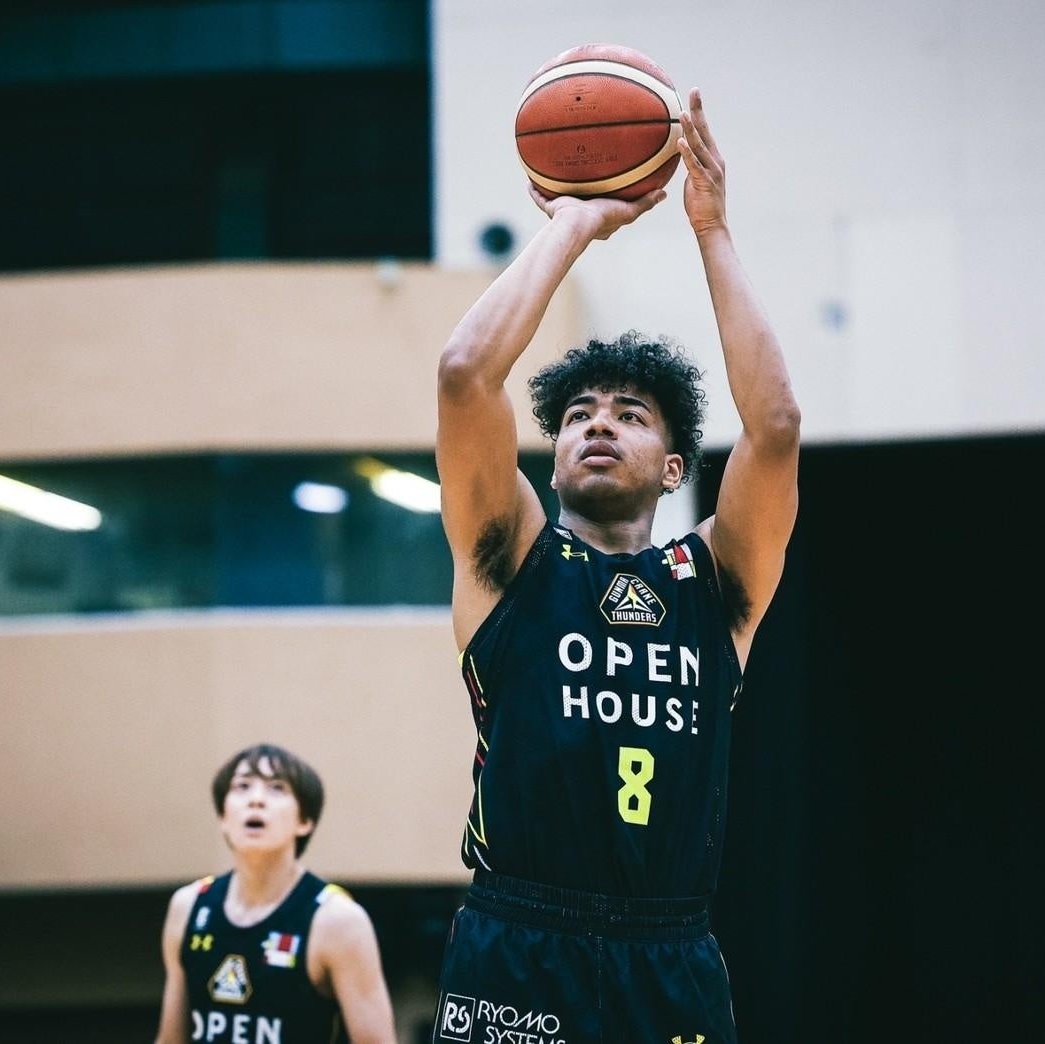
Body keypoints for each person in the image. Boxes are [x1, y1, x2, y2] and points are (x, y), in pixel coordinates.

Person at [430, 86, 800, 1044]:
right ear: (553, 457)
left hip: (669, 951)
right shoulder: (511, 558)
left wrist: (711, 230)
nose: (598, 424)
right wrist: (575, 223)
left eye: (630, 415)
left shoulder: (716, 586)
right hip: (520, 940)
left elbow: (775, 427)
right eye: (579, 415)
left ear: (675, 468)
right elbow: (465, 374)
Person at [155, 743, 397, 1044]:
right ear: (223, 818)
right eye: (242, 786)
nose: (256, 800)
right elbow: (170, 1039)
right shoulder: (188, 906)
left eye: (276, 788)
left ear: (304, 821)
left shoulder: (338, 921)